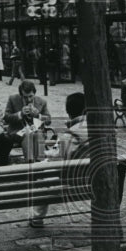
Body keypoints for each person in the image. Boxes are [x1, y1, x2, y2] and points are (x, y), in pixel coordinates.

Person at [29, 92, 90, 228]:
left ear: (69, 113)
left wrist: (48, 152)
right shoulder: (101, 128)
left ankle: (37, 217)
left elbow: (57, 160)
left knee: (40, 172)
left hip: (72, 178)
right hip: (94, 176)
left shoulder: (69, 135)